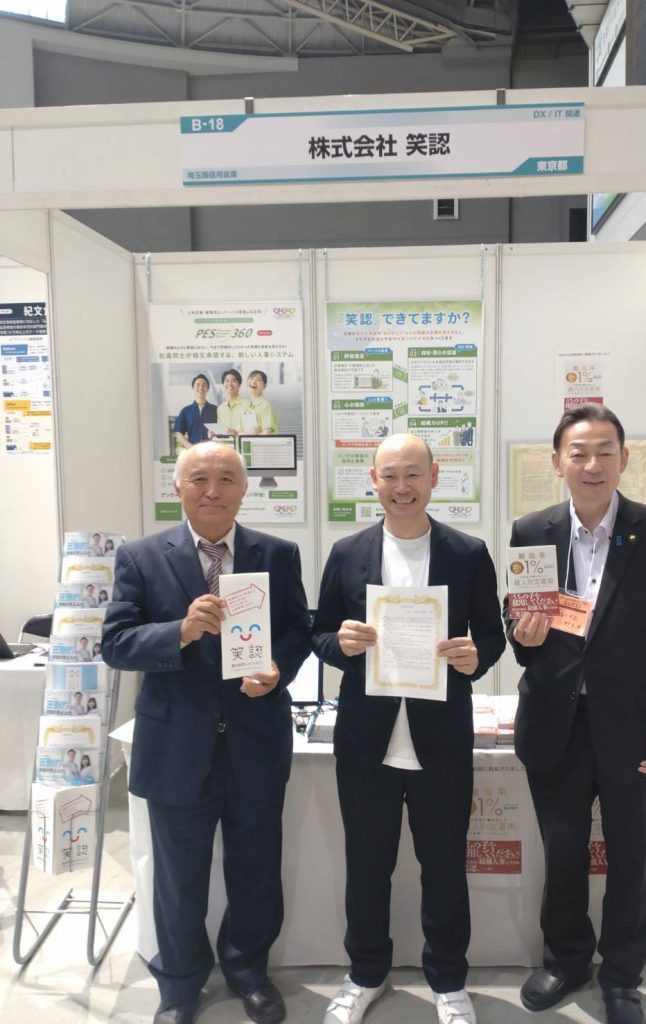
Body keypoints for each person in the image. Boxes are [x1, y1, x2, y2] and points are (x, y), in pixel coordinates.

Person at [503, 404, 646, 1024]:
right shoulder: (531, 530)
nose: (592, 465)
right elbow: (521, 627)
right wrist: (521, 633)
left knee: (633, 856)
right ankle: (565, 960)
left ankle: (621, 975)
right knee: (562, 852)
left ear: (623, 459)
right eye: (579, 453)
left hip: (635, 728)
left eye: (604, 452)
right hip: (556, 724)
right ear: (556, 461)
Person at [102, 442, 310, 1024]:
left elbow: (298, 630)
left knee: (255, 869)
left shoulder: (278, 554)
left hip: (256, 739)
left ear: (244, 489)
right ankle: (179, 985)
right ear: (178, 487)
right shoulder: (141, 557)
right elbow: (115, 644)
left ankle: (248, 972)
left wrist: (278, 669)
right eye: (199, 478)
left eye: (226, 479)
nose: (212, 490)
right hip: (176, 746)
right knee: (177, 876)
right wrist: (180, 631)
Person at [312, 434, 505, 1024]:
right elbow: (319, 633)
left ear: (434, 476)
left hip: (440, 738)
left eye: (413, 474)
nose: (402, 487)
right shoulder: (347, 552)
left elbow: (491, 635)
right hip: (366, 740)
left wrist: (476, 656)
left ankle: (448, 981)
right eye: (390, 475)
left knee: (444, 867)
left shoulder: (467, 553)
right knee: (368, 866)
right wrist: (341, 644)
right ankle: (365, 974)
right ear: (373, 480)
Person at [174, 374, 218, 449]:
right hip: (193, 451)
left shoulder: (215, 410)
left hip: (211, 451)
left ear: (207, 389)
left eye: (204, 385)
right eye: (198, 385)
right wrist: (190, 447)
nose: (201, 388)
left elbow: (222, 431)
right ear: (193, 388)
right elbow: (179, 433)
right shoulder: (186, 411)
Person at [243, 371, 278, 435]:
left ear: (264, 386)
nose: (253, 381)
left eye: (258, 380)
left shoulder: (265, 405)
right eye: (251, 378)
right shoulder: (245, 406)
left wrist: (255, 435)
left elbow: (267, 432)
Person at [216, 369, 248, 437]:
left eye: (233, 381)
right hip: (225, 443)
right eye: (227, 381)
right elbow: (221, 431)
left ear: (239, 385)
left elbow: (254, 432)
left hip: (242, 443)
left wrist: (237, 433)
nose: (230, 384)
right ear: (223, 384)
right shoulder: (220, 408)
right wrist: (214, 433)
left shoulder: (248, 404)